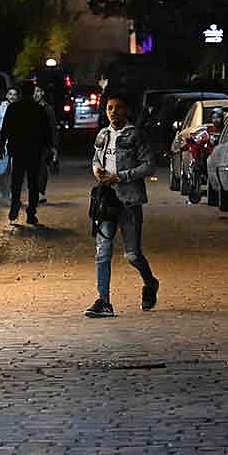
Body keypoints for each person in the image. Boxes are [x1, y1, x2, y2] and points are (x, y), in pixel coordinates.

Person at [87, 95, 159, 318]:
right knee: (103, 252)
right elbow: (96, 160)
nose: (113, 112)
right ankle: (103, 301)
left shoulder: (135, 135)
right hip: (106, 201)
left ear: (126, 110)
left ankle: (150, 283)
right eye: (109, 108)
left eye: (118, 108)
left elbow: (149, 165)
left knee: (132, 255)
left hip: (129, 201)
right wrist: (97, 170)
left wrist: (120, 177)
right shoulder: (103, 134)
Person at [0, 80, 52, 224]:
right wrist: (48, 149)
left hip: (18, 150)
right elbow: (47, 132)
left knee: (16, 181)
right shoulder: (39, 109)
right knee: (33, 183)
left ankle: (15, 206)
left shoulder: (13, 108)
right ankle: (31, 213)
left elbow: (5, 128)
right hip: (34, 151)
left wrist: (2, 144)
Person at [34, 85, 60, 203]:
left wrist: (54, 146)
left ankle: (41, 192)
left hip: (44, 144)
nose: (36, 94)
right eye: (34, 92)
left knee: (41, 167)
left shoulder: (48, 109)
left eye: (38, 91)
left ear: (42, 93)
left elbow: (53, 128)